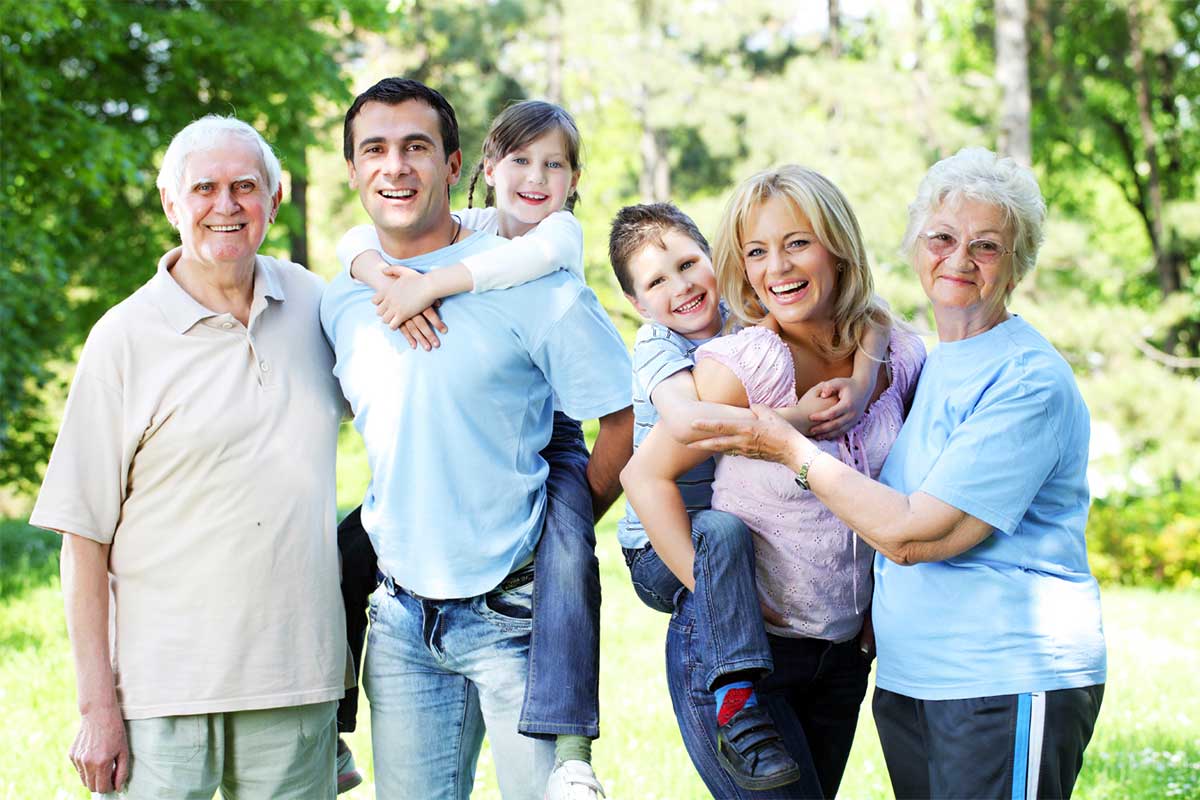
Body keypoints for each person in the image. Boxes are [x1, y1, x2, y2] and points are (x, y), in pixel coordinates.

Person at [689, 147, 1107, 799]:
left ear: (1018, 262)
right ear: (917, 247)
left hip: (1003, 675)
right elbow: (872, 319)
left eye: (987, 246)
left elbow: (916, 536)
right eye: (941, 238)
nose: (959, 259)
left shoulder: (1027, 380)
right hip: (913, 681)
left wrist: (791, 447)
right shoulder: (932, 363)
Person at [320, 77, 633, 800]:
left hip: (514, 619)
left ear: (455, 164)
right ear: (353, 170)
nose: (395, 166)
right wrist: (375, 269)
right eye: (375, 149)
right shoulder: (341, 296)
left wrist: (559, 524)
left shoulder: (538, 281)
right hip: (398, 621)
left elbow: (623, 419)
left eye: (416, 147)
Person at [30, 116, 347, 798]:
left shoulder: (319, 307)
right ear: (172, 204)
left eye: (246, 186)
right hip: (160, 697)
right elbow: (81, 538)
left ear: (275, 198)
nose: (226, 205)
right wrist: (96, 710)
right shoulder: (123, 338)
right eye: (204, 188)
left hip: (295, 682)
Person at [622, 166, 925, 798]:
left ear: (837, 243)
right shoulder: (742, 363)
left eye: (797, 242)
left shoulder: (895, 350)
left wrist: (868, 376)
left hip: (843, 659)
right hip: (745, 662)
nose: (777, 267)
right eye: (757, 251)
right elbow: (643, 474)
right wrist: (712, 597)